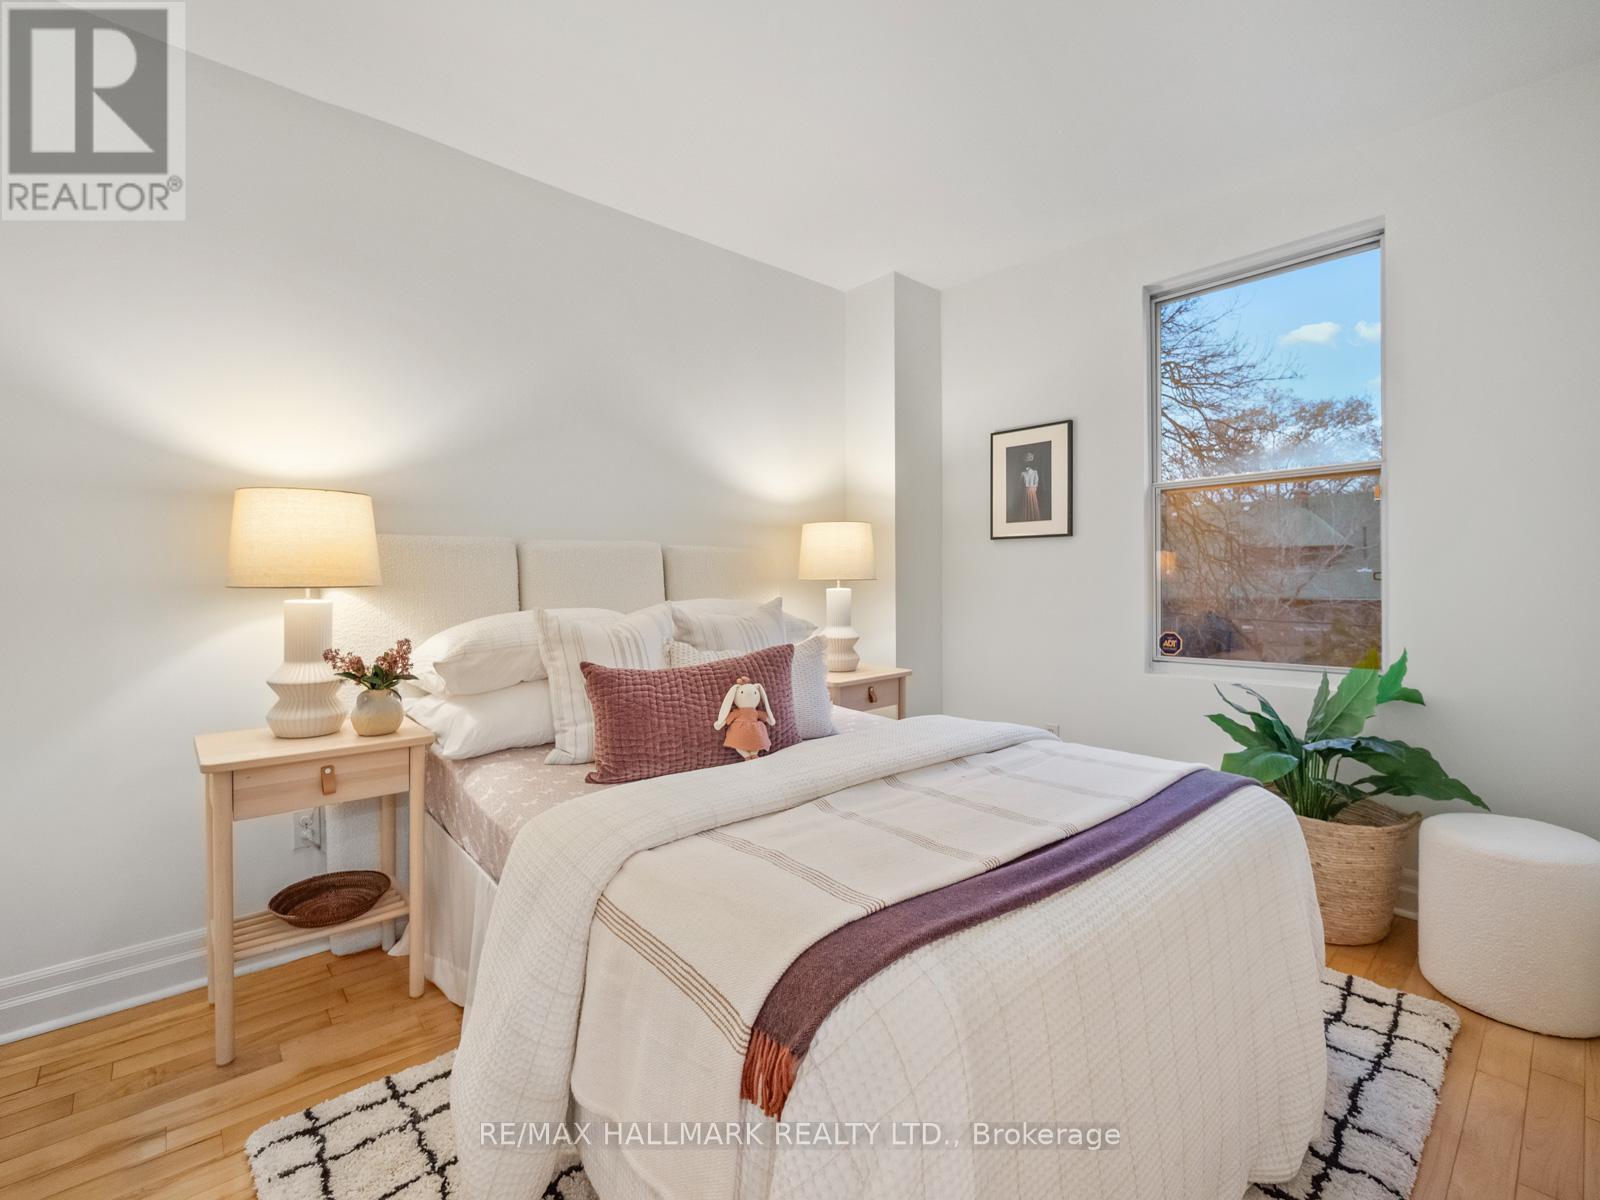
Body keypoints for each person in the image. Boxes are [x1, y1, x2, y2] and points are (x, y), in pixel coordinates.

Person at [1020, 453, 1041, 521]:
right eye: (1026, 462)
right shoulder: (1023, 473)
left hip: (1031, 491)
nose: (1027, 464)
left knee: (1033, 505)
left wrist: (1034, 488)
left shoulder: (1035, 472)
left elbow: (1036, 483)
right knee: (1026, 506)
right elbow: (1020, 483)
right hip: (1027, 491)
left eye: (1029, 462)